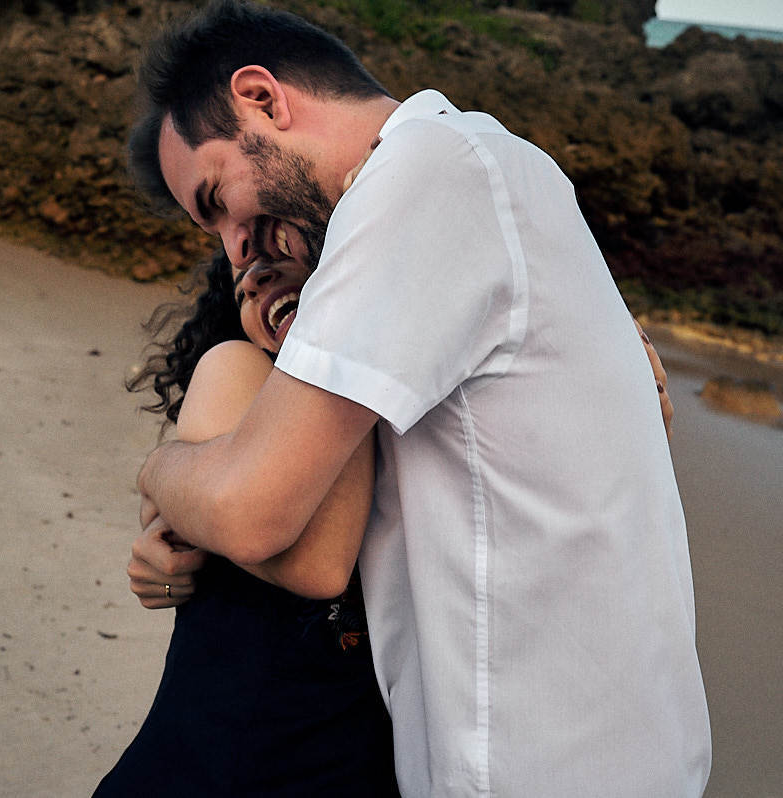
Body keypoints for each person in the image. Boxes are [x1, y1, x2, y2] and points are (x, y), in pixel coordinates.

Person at [124, 1, 710, 795]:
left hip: (537, 762)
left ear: (261, 98)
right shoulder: (490, 168)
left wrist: (160, 472)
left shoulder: (426, 171)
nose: (235, 243)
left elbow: (253, 509)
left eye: (217, 198)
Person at [94, 250, 399, 796]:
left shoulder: (400, 408)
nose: (254, 282)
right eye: (242, 292)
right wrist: (157, 472)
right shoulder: (239, 365)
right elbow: (320, 566)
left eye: (274, 258)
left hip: (355, 759)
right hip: (226, 757)